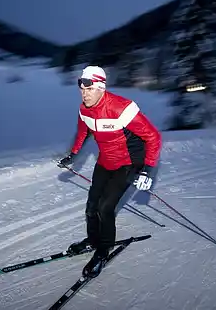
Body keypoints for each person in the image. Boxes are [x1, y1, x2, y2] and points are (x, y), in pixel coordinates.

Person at [58, 65, 162, 278]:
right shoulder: (84, 110)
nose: (84, 94)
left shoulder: (122, 108)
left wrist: (147, 170)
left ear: (101, 88)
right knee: (91, 207)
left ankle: (103, 251)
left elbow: (153, 137)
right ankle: (93, 240)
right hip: (105, 161)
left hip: (129, 163)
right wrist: (73, 155)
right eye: (82, 89)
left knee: (105, 208)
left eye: (89, 89)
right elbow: (83, 132)